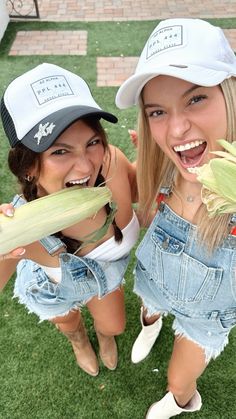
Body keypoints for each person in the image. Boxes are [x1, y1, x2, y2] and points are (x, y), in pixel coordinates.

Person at [116, 18, 236, 418]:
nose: (177, 128)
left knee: (178, 382)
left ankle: (180, 403)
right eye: (157, 112)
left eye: (196, 99)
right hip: (156, 280)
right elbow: (148, 217)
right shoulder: (164, 167)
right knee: (149, 307)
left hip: (207, 315)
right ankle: (150, 324)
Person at [0, 63, 139, 377]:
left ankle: (103, 337)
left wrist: (148, 159)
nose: (85, 167)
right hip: (54, 289)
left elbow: (138, 190)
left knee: (114, 325)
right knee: (69, 321)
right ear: (28, 168)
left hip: (108, 278)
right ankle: (79, 341)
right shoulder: (21, 224)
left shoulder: (111, 161)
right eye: (60, 151)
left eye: (91, 143)